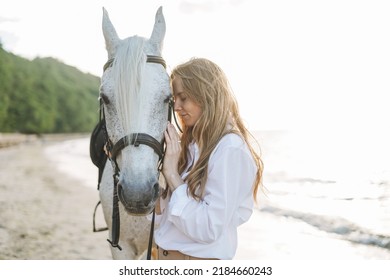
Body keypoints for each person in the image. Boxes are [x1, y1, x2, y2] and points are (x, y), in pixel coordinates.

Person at [154, 58, 264, 260]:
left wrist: (171, 173)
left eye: (183, 97)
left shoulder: (230, 150)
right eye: (174, 99)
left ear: (205, 95)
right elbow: (170, 221)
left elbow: (208, 228)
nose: (176, 107)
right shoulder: (192, 146)